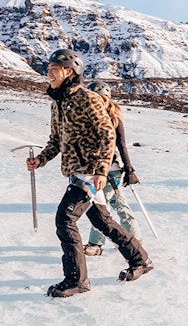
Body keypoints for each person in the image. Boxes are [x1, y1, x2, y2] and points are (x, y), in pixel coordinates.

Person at [26, 49, 153, 297]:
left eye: (54, 69)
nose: (48, 73)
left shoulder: (88, 99)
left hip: (89, 173)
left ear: (69, 71)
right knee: (102, 222)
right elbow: (55, 140)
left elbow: (108, 135)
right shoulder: (58, 104)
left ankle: (76, 280)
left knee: (65, 219)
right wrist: (41, 159)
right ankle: (141, 260)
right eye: (48, 69)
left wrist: (101, 171)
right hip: (76, 173)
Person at [83, 81, 142, 257]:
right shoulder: (89, 115)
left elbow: (121, 144)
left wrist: (129, 169)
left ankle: (96, 244)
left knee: (101, 207)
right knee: (119, 205)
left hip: (112, 169)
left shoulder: (114, 116)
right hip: (94, 169)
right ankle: (135, 239)